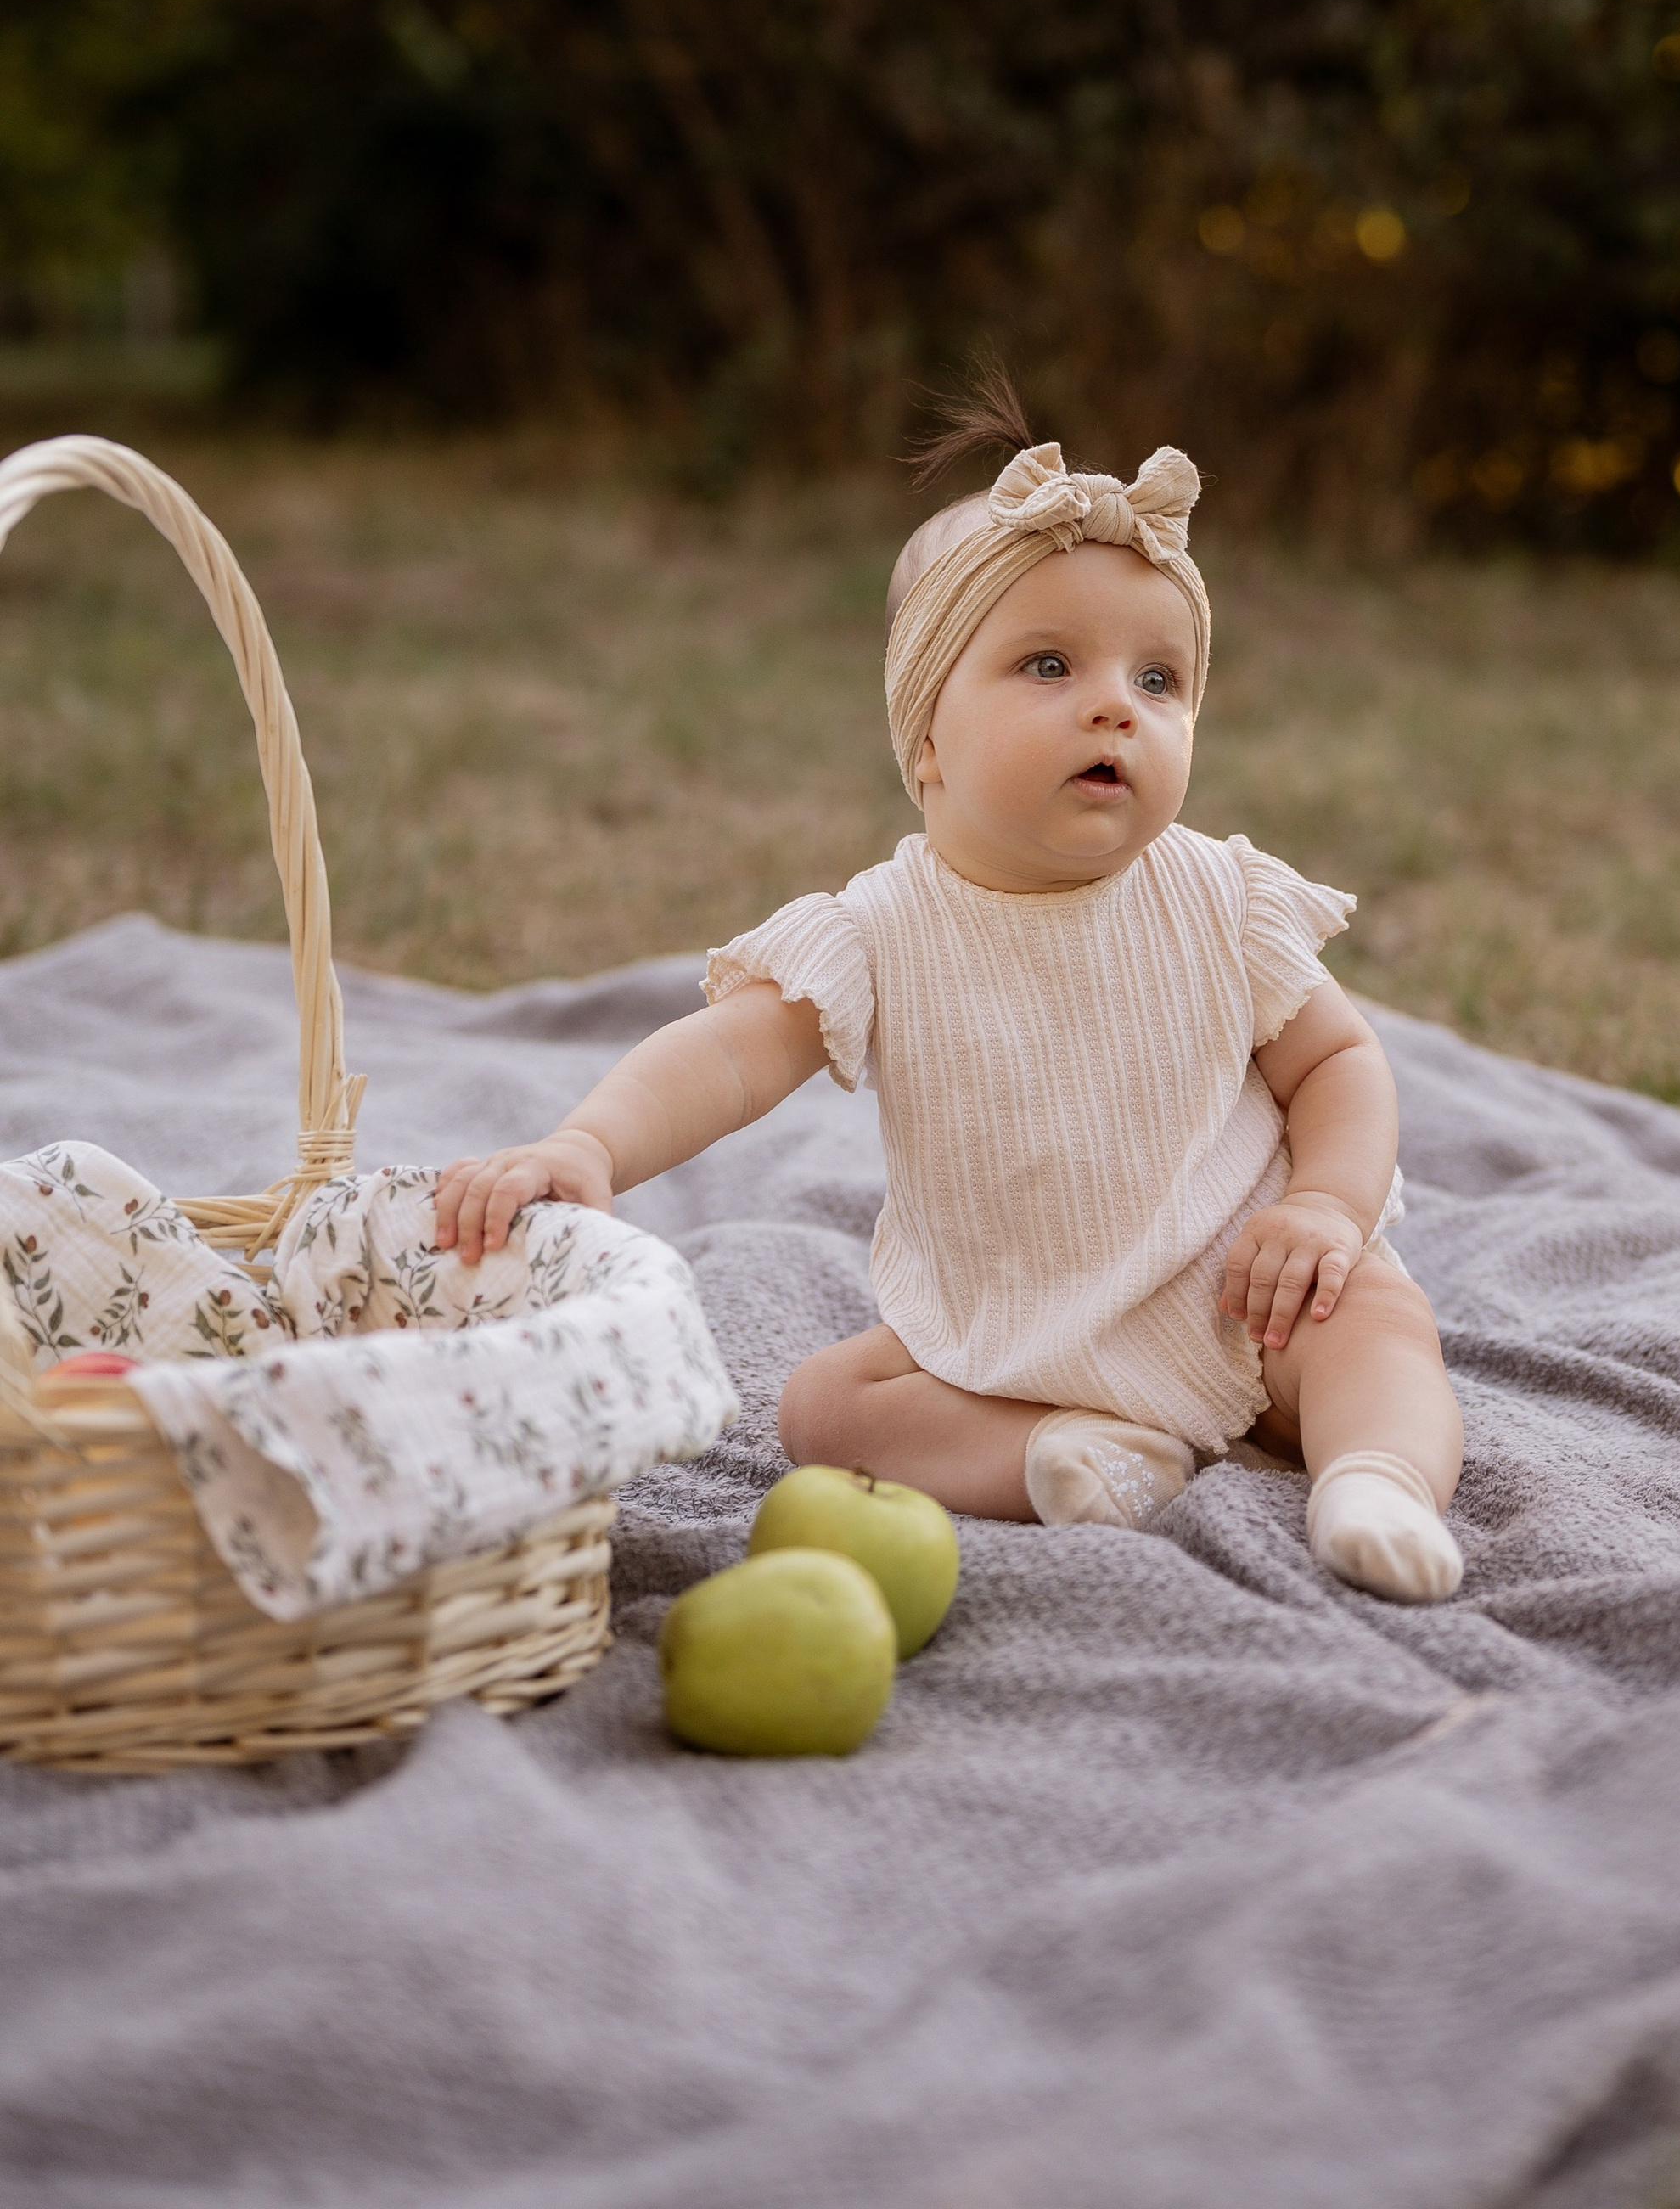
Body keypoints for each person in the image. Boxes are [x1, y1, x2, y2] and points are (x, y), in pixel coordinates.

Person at [434, 382, 1465, 1603]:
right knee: (827, 1408)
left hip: (1250, 1290)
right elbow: (727, 1055)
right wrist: (591, 1143)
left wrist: (1329, 1208)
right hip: (1017, 1336)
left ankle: (1378, 1480)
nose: (1114, 705)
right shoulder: (880, 931)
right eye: (1049, 665)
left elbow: (1338, 1062)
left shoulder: (1221, 900)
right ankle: (1065, 1454)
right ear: (926, 740)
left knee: (1376, 1323)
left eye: (1159, 680)